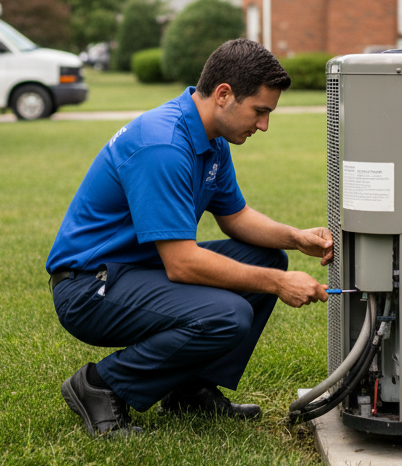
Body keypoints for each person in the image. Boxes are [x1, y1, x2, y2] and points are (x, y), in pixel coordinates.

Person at [47, 38, 332, 436]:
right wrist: (280, 284)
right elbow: (181, 264)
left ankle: (189, 391)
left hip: (137, 269)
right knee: (228, 315)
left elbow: (236, 217)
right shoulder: (163, 144)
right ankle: (100, 385)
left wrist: (294, 238)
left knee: (267, 257)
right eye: (260, 111)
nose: (264, 125)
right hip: (89, 286)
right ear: (224, 95)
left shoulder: (209, 137)